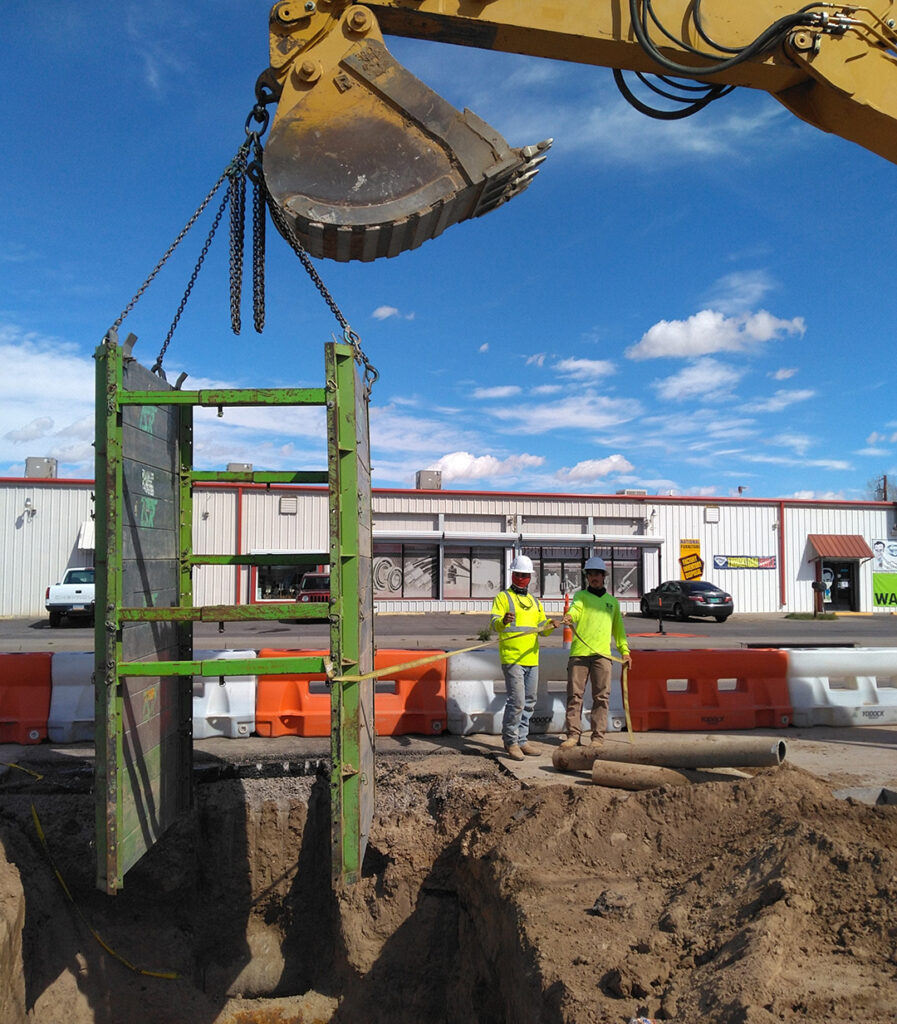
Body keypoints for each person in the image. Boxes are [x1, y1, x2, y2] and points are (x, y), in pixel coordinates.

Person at [491, 554, 557, 761]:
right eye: (518, 574)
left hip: (531, 658)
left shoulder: (534, 602)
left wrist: (550, 625)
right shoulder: (503, 598)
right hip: (512, 657)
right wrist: (503, 621)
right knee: (517, 701)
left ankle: (522, 739)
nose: (521, 578)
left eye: (525, 575)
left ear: (530, 578)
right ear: (512, 575)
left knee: (529, 701)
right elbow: (494, 624)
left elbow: (542, 629)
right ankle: (510, 741)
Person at [561, 556, 632, 749]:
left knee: (601, 697)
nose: (594, 577)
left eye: (597, 574)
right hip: (580, 654)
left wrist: (625, 651)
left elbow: (619, 630)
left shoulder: (612, 602)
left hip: (603, 656)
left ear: (603, 576)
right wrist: (570, 616)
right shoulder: (581, 596)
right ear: (587, 577)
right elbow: (576, 610)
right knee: (574, 696)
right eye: (590, 574)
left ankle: (598, 737)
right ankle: (573, 735)